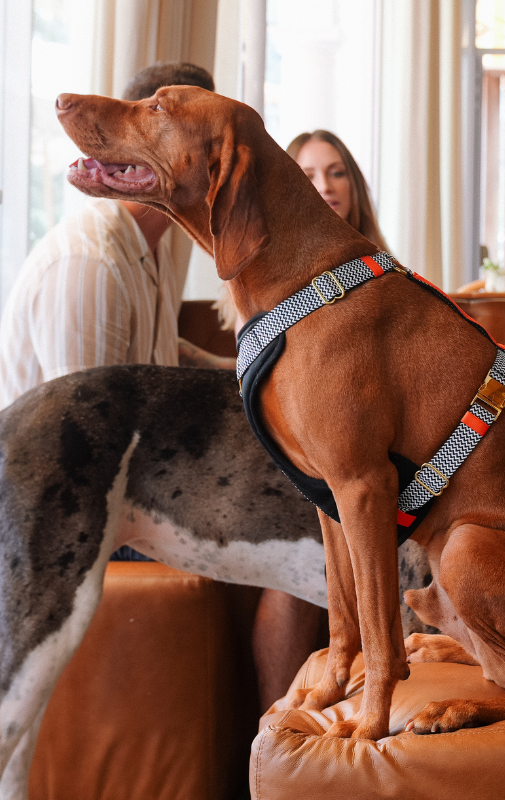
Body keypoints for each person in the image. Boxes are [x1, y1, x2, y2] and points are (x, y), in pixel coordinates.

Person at [250, 130, 390, 713]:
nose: (325, 187)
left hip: (380, 464)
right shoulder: (263, 282)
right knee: (295, 565)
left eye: (337, 173)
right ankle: (276, 738)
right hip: (294, 461)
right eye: (307, 174)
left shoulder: (384, 276)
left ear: (355, 187)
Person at [0, 62, 231, 413]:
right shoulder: (91, 265)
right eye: (209, 144)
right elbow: (84, 436)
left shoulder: (154, 246)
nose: (219, 163)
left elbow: (154, 359)